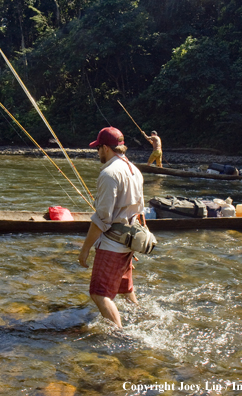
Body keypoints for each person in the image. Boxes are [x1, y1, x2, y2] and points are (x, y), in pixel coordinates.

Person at [78, 127, 144, 328]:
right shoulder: (135, 170)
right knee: (125, 289)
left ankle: (120, 335)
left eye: (98, 148)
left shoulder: (109, 173)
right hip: (130, 239)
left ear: (106, 148)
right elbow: (140, 210)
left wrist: (85, 248)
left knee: (99, 294)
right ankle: (141, 318)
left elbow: (102, 218)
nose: (98, 152)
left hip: (113, 244)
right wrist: (134, 248)